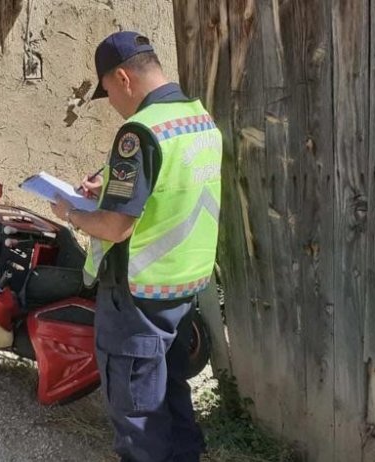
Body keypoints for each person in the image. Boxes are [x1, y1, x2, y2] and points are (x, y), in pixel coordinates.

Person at [50, 31, 222, 462]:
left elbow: (114, 226)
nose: (111, 103)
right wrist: (104, 182)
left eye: (106, 91)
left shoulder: (138, 133)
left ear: (123, 78)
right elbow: (169, 188)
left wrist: (71, 213)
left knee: (138, 411)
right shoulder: (198, 118)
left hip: (138, 296)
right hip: (184, 287)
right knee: (173, 392)